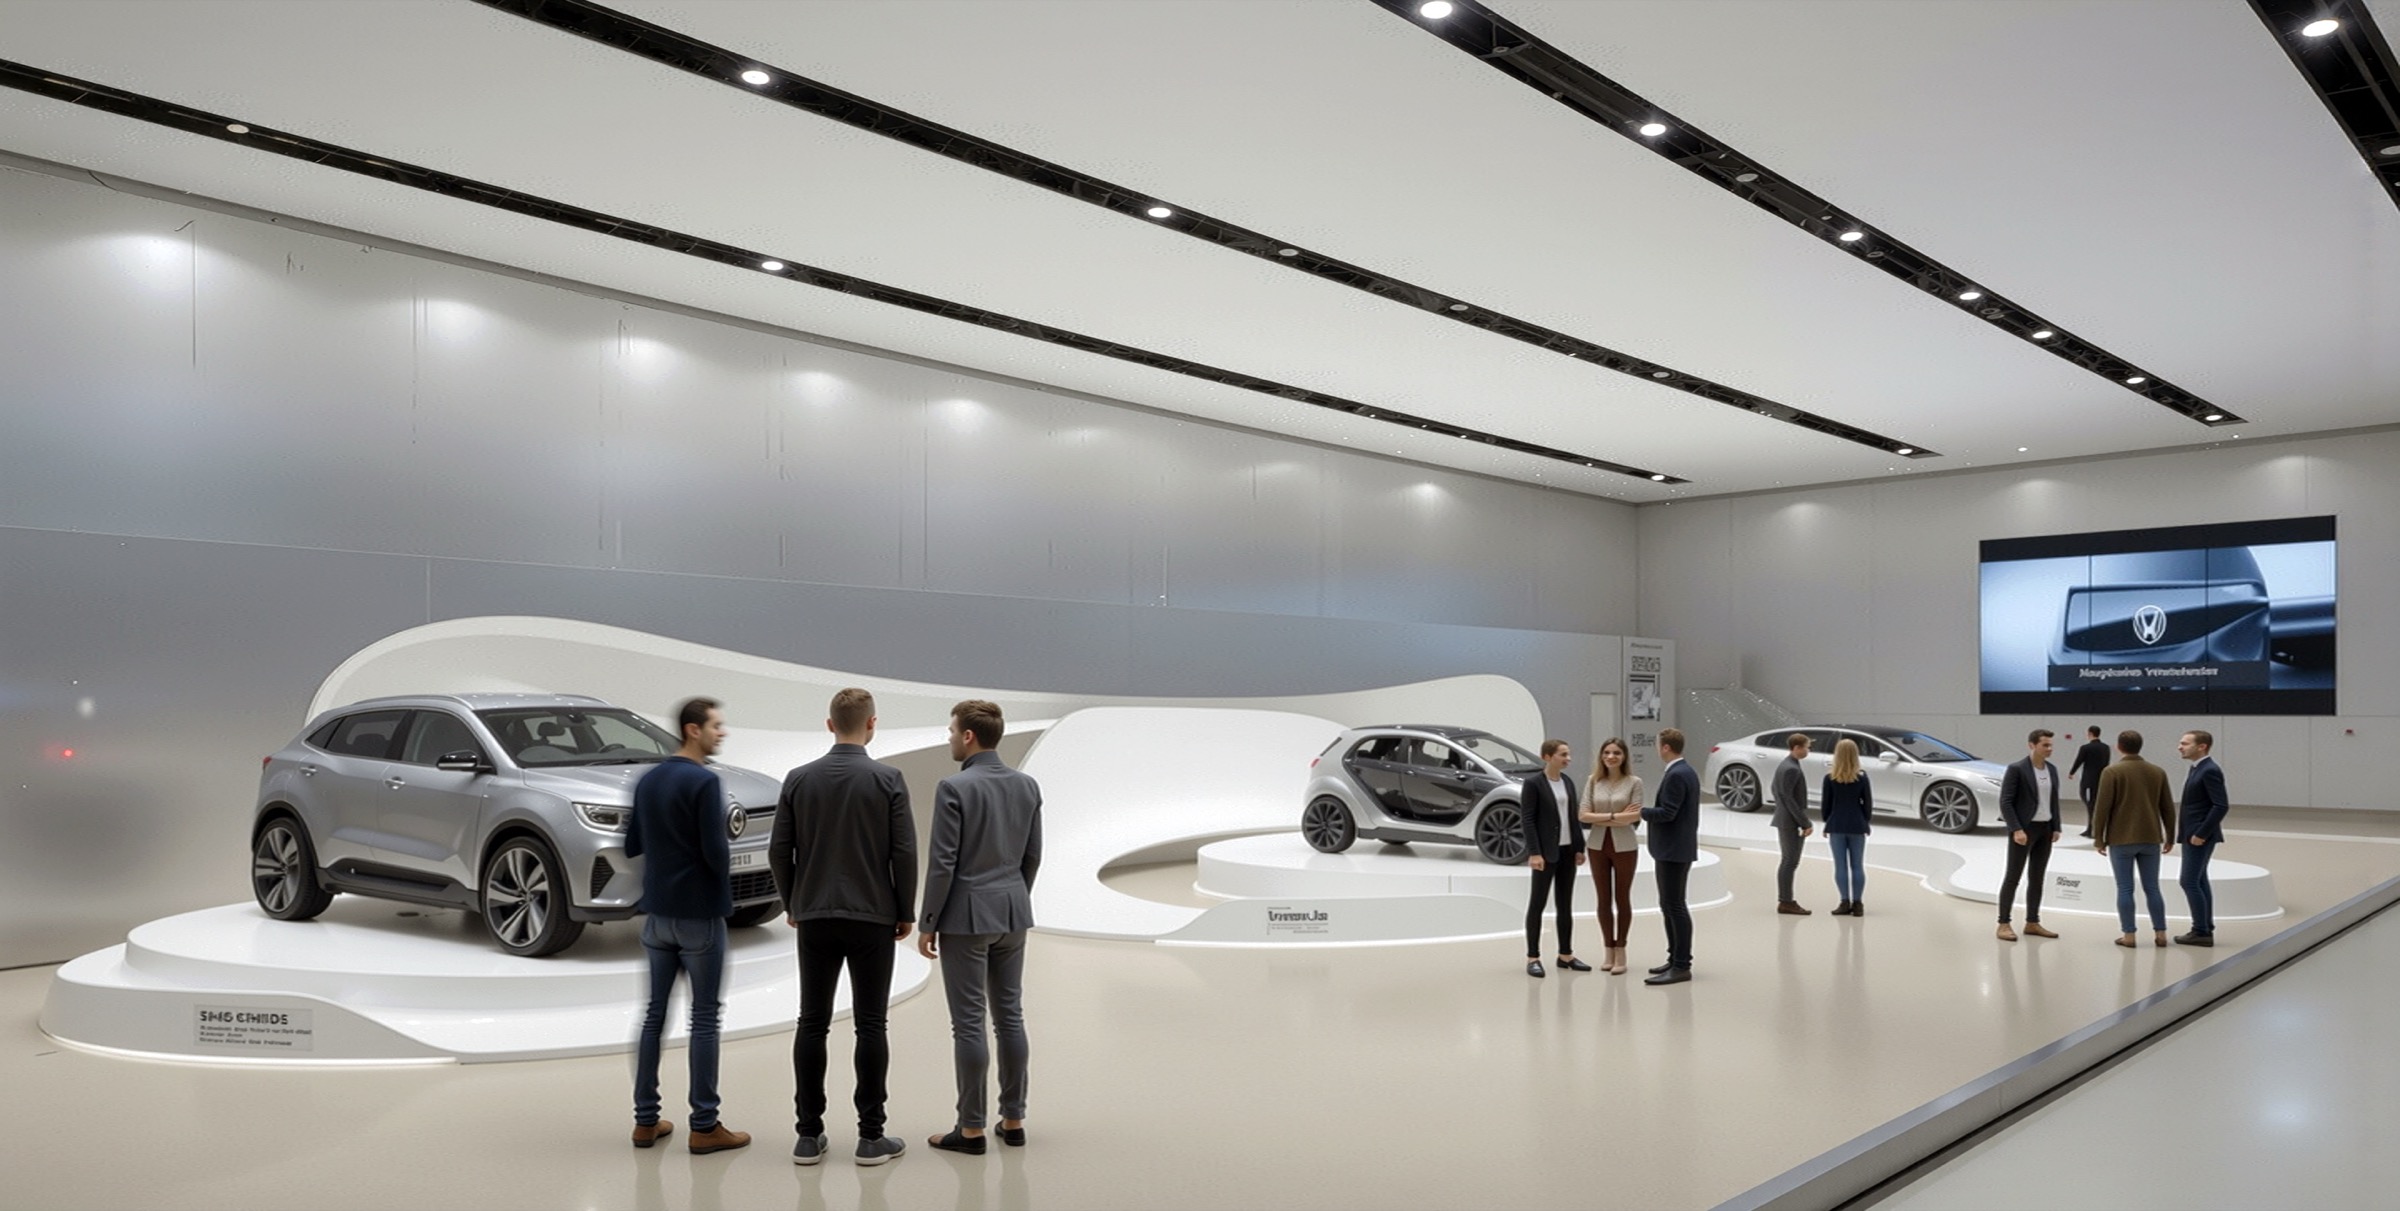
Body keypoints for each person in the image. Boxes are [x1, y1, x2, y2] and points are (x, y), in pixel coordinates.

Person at [770, 688, 917, 1167]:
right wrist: (905, 910)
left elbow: (779, 851)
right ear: (871, 724)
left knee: (811, 1022)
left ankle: (808, 1136)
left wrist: (793, 901)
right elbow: (904, 852)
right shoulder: (888, 779)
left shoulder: (798, 779)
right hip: (872, 916)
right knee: (871, 1023)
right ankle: (871, 1137)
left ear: (830, 724)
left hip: (814, 914)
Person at [626, 697, 751, 1155]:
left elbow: (633, 843)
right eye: (716, 726)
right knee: (704, 1018)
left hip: (656, 916)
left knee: (653, 1016)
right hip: (699, 916)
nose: (722, 733)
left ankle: (645, 1121)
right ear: (692, 729)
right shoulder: (704, 781)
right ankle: (705, 1125)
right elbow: (716, 853)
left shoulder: (649, 779)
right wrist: (725, 896)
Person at [919, 700, 1042, 1156]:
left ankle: (970, 1129)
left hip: (967, 918)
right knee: (1010, 1016)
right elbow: (1032, 855)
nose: (950, 736)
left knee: (969, 1023)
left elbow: (942, 864)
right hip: (1012, 912)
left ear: (969, 736)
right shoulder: (1027, 786)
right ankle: (1014, 1121)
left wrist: (929, 922)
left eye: (952, 730)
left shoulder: (954, 787)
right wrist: (1013, 896)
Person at [2090, 730, 2177, 949]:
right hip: (2150, 838)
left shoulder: (2112, 772)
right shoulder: (2157, 772)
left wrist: (2098, 838)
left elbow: (2102, 808)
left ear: (2119, 747)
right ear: (2140, 746)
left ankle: (2129, 935)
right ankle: (2161, 933)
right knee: (2153, 888)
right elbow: (2167, 808)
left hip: (2121, 839)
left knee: (2125, 888)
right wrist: (2170, 836)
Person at [1521, 739, 1587, 978]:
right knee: (1537, 905)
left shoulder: (1567, 782)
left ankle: (1566, 955)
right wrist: (1534, 852)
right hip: (1545, 854)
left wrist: (1580, 847)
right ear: (1547, 756)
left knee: (1565, 905)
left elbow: (1573, 817)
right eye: (1563, 754)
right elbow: (1527, 819)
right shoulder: (1533, 784)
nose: (1568, 759)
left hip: (1567, 852)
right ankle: (1533, 957)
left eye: (1568, 754)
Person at [1579, 738, 1644, 975]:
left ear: (1624, 756)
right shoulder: (1593, 781)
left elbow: (1634, 816)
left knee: (1622, 898)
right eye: (1607, 752)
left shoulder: (1634, 782)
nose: (1611, 756)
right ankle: (1607, 949)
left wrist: (1602, 816)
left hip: (1625, 846)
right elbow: (1583, 815)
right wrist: (1616, 815)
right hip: (1597, 845)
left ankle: (1621, 950)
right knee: (1603, 899)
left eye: (1616, 752)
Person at [1640, 729, 1699, 985]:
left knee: (1674, 905)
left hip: (1673, 849)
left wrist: (1640, 812)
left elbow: (1668, 812)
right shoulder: (1685, 771)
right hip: (1675, 848)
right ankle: (1674, 958)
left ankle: (1681, 964)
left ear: (1665, 747)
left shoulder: (1677, 774)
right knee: (1669, 904)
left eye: (1657, 745)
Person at [1995, 729, 2064, 942]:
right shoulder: (2017, 769)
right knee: (2013, 877)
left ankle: (2032, 922)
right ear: (2031, 745)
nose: (2050, 749)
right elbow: (2006, 802)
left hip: (2045, 830)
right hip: (2024, 830)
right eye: (2045, 745)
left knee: (2037, 877)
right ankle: (2003, 923)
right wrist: (2016, 829)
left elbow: (2053, 800)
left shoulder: (2051, 769)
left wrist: (2056, 826)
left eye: (2051, 745)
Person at [2173, 730, 2231, 948]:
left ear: (2202, 746)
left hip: (2199, 836)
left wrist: (2201, 833)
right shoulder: (2198, 768)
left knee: (2188, 881)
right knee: (2199, 879)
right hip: (2195, 834)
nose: (2180, 746)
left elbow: (2221, 805)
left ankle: (2200, 931)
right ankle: (2205, 927)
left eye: (2185, 743)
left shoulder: (2209, 770)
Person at [1819, 739, 1873, 916]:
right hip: (1857, 824)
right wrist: (1865, 821)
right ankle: (1858, 904)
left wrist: (1827, 821)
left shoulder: (1830, 778)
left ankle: (1844, 901)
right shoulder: (1862, 777)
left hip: (1836, 824)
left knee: (1840, 866)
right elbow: (1867, 803)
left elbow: (1826, 804)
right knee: (1857, 865)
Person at [1769, 733, 1814, 916]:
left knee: (1788, 861)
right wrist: (1804, 822)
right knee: (1790, 861)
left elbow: (1775, 790)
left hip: (1785, 818)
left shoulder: (1785, 765)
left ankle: (1786, 900)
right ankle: (1786, 901)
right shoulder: (1791, 769)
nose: (1808, 750)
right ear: (1796, 747)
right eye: (1807, 747)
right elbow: (1788, 798)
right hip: (1790, 821)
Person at [2068, 725, 2108, 838]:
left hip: (2088, 781)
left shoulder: (2086, 748)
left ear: (2090, 733)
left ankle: (2091, 829)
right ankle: (2094, 828)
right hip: (2101, 780)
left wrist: (2072, 772)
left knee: (2090, 804)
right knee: (2095, 804)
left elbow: (2079, 761)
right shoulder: (2105, 748)